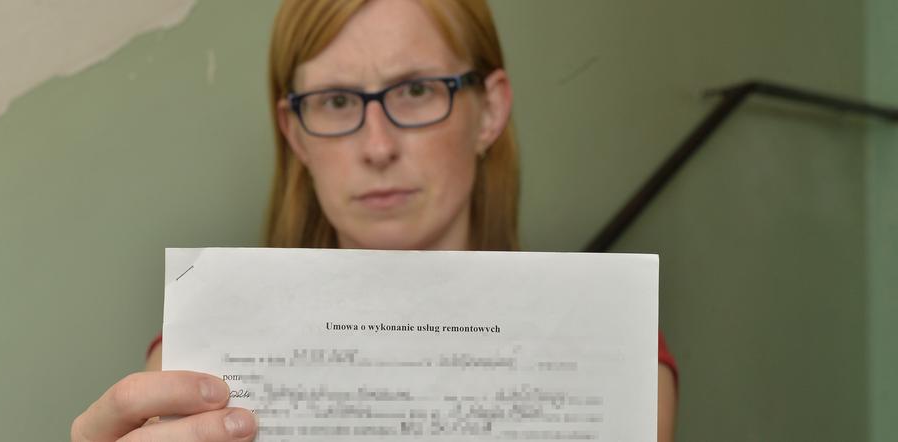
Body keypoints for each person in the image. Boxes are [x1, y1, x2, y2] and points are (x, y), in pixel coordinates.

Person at [71, 0, 678, 440]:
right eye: (336, 102)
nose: (378, 146)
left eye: (415, 91)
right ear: (296, 134)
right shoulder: (194, 363)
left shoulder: (619, 361)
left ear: (490, 110)